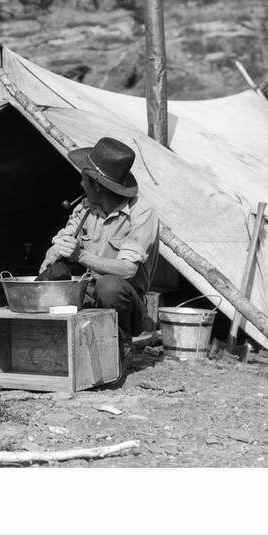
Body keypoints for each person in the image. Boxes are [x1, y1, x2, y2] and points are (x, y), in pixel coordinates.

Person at [38, 136, 160, 370]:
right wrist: (52, 255)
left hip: (126, 301)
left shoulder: (142, 214)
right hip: (89, 291)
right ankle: (51, 352)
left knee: (109, 285)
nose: (81, 185)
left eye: (84, 180)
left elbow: (128, 270)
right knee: (55, 275)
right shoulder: (85, 208)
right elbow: (63, 239)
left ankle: (118, 352)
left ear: (97, 185)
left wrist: (81, 256)